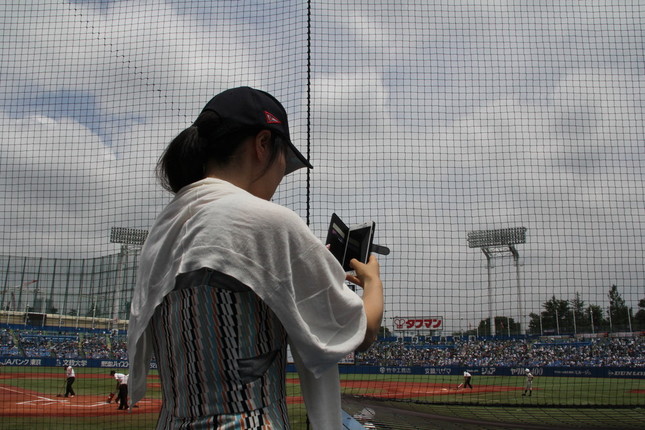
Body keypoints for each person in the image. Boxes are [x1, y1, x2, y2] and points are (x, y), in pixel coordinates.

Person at [127, 86, 384, 429]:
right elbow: (361, 332)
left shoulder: (164, 230)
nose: (281, 175)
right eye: (283, 160)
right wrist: (372, 282)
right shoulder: (269, 222)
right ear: (263, 144)